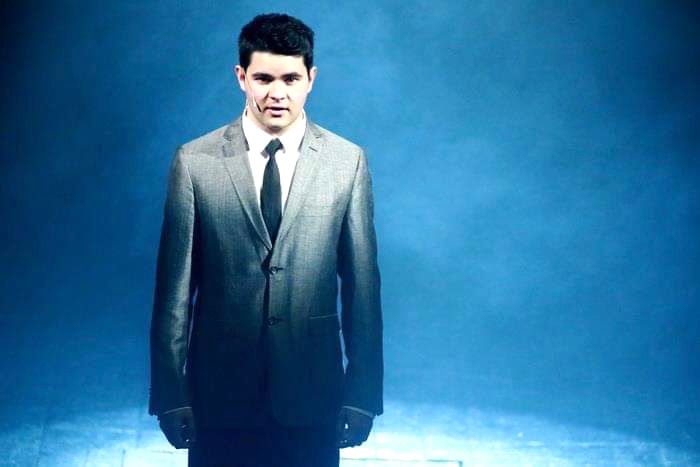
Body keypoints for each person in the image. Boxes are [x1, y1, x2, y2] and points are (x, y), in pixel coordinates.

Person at [148, 13, 383, 467]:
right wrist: (171, 396)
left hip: (314, 393)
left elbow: (363, 290)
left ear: (311, 79)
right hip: (218, 396)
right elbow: (173, 294)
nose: (277, 93)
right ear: (241, 77)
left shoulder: (346, 162)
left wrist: (362, 395)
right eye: (263, 78)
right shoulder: (195, 162)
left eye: (291, 78)